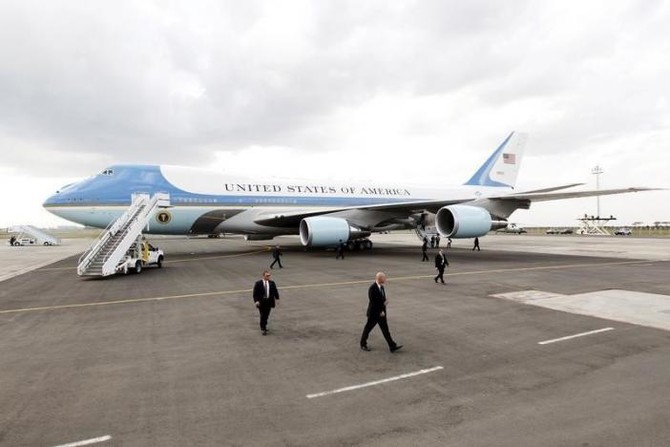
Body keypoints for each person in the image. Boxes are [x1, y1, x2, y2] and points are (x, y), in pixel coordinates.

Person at [360, 272, 402, 353]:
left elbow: (381, 299)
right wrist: (381, 309)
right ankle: (363, 344)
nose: (385, 279)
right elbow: (373, 302)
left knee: (385, 330)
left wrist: (384, 303)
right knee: (368, 329)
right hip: (374, 314)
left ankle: (392, 346)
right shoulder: (372, 288)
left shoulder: (382, 287)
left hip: (381, 314)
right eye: (384, 278)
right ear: (379, 279)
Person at [252, 270, 280, 335]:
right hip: (261, 302)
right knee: (262, 315)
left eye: (269, 275)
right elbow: (255, 294)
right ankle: (263, 328)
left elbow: (275, 291)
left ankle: (264, 325)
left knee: (267, 315)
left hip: (269, 301)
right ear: (263, 276)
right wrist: (256, 301)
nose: (268, 277)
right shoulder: (258, 283)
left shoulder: (272, 283)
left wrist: (277, 298)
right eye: (267, 276)